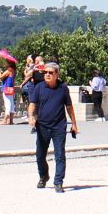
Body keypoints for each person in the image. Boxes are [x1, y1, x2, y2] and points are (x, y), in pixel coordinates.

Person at [26, 62, 78, 192]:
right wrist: (31, 116)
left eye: (50, 73)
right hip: (42, 126)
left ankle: (58, 182)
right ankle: (44, 176)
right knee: (40, 155)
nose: (47, 74)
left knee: (59, 154)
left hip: (59, 126)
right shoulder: (39, 87)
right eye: (45, 72)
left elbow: (69, 107)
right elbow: (32, 104)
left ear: (57, 75)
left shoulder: (63, 88)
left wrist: (74, 124)